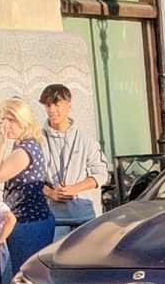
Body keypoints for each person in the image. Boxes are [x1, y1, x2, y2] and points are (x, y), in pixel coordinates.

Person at [0, 95, 58, 284]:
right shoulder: (26, 144)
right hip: (31, 220)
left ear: (23, 120)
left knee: (27, 281)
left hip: (29, 223)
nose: (6, 125)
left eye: (11, 119)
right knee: (30, 279)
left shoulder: (25, 147)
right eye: (3, 119)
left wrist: (0, 142)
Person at [34, 83, 109, 238]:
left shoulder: (85, 139)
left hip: (84, 219)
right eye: (47, 105)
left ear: (69, 106)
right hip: (53, 220)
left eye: (56, 104)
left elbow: (101, 173)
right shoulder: (37, 141)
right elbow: (30, 178)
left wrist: (77, 187)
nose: (52, 110)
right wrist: (51, 192)